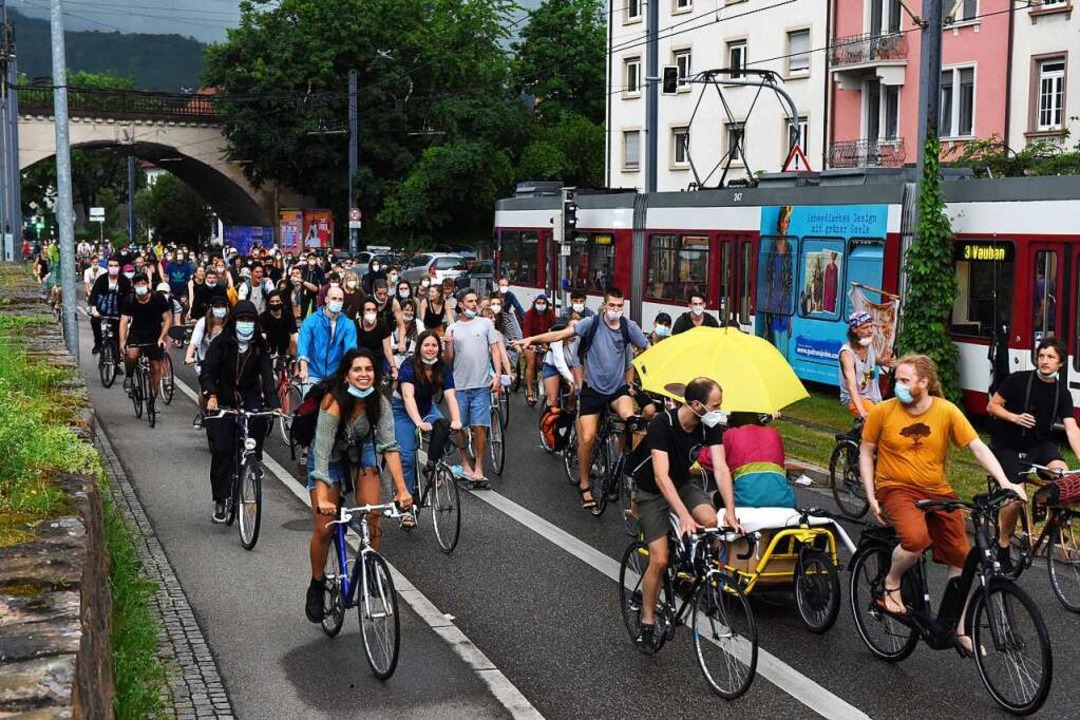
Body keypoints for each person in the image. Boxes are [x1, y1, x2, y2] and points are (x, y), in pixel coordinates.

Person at [859, 355, 1026, 654]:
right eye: (897, 379)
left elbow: (977, 447)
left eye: (905, 380)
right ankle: (892, 582)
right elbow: (866, 450)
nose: (897, 385)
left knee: (962, 556)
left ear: (924, 383)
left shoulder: (946, 411)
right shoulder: (883, 412)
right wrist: (871, 494)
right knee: (915, 539)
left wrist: (1006, 482)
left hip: (937, 490)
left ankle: (956, 627)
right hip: (895, 488)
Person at [304, 348, 413, 623]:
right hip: (327, 457)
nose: (364, 375)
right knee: (323, 526)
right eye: (357, 370)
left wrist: (402, 489)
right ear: (346, 375)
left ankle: (370, 567)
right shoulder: (334, 401)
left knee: (373, 513)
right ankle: (317, 584)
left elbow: (389, 445)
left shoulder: (379, 400)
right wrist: (323, 495)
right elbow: (322, 451)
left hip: (360, 450)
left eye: (369, 370)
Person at [517, 287, 649, 510]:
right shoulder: (592, 323)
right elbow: (559, 335)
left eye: (620, 306)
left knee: (635, 424)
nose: (616, 310)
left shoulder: (629, 327)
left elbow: (648, 348)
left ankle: (628, 476)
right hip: (592, 389)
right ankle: (585, 484)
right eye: (612, 306)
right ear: (605, 305)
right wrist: (531, 338)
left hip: (617, 389)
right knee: (587, 437)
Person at [633, 377, 726, 652]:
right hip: (653, 489)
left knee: (712, 521)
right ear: (696, 405)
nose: (720, 410)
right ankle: (647, 621)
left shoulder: (710, 425)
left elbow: (720, 468)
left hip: (683, 482)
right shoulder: (663, 423)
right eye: (716, 405)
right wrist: (684, 515)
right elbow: (661, 475)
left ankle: (693, 568)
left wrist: (729, 512)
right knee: (659, 559)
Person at [987, 336, 1080, 571]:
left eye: (1051, 357)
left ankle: (1053, 523)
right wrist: (1014, 417)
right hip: (1008, 444)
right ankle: (1004, 545)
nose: (1045, 361)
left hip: (1039, 444)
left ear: (1060, 363)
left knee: (1064, 477)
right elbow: (992, 406)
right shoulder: (1018, 380)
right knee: (1015, 494)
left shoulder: (1062, 392)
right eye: (1041, 356)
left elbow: (1072, 429)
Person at [200, 301, 278, 523]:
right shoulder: (220, 343)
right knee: (223, 450)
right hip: (222, 398)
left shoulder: (259, 345)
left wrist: (274, 403)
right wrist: (211, 395)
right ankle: (221, 499)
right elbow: (207, 372)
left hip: (249, 396)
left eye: (250, 321)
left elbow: (267, 375)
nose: (246, 324)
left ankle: (255, 459)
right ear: (234, 322)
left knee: (259, 419)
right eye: (242, 320)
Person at [443, 289, 502, 485]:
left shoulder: (485, 324)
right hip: (459, 386)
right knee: (459, 428)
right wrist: (448, 345)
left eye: (475, 301)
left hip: (481, 385)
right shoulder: (452, 328)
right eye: (469, 301)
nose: (473, 304)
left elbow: (495, 350)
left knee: (480, 427)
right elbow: (448, 360)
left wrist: (498, 376)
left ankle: (478, 468)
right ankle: (465, 463)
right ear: (460, 304)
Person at [393, 330, 463, 498]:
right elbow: (408, 397)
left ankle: (431, 466)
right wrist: (418, 423)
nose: (430, 349)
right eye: (426, 345)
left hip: (426, 406)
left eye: (434, 345)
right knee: (408, 457)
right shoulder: (409, 365)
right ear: (419, 348)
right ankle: (406, 501)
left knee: (444, 428)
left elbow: (450, 396)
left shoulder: (442, 367)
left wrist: (457, 420)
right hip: (402, 409)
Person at [718, 412, 796, 508]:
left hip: (743, 503)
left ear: (734, 418)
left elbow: (709, 460)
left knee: (711, 489)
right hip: (785, 502)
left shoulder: (730, 434)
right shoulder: (774, 433)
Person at [119, 273, 171, 397]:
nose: (141, 286)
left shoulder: (158, 298)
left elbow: (168, 319)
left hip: (155, 333)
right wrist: (122, 341)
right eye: (138, 284)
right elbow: (124, 321)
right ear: (133, 286)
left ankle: (154, 395)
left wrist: (162, 337)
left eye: (143, 283)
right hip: (137, 332)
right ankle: (129, 377)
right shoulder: (129, 300)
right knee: (131, 355)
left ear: (148, 284)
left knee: (156, 367)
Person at [296, 285, 358, 387]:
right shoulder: (310, 321)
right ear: (326, 299)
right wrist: (304, 370)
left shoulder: (349, 324)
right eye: (334, 298)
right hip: (313, 374)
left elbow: (350, 351)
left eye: (340, 299)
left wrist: (348, 373)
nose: (337, 301)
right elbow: (303, 347)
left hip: (336, 376)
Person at [839, 311, 891, 420]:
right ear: (854, 330)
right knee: (877, 422)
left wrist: (883, 361)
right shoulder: (847, 354)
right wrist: (862, 412)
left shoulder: (867, 343)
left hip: (872, 395)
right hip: (855, 398)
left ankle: (857, 434)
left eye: (871, 326)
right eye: (865, 327)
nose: (870, 331)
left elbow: (871, 359)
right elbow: (852, 387)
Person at [88, 257, 131, 355]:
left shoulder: (124, 281)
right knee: (94, 321)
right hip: (102, 310)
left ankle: (116, 364)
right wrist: (94, 309)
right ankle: (98, 343)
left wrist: (127, 314)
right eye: (111, 265)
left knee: (117, 336)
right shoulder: (102, 279)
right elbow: (94, 294)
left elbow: (129, 298)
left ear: (120, 267)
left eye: (116, 266)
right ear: (107, 267)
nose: (113, 268)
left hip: (119, 312)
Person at [521, 294, 556, 406]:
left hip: (545, 342)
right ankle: (530, 391)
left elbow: (554, 329)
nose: (541, 305)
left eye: (543, 303)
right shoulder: (529, 315)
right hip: (530, 342)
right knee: (531, 363)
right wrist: (530, 345)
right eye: (538, 303)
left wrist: (548, 343)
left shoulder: (550, 314)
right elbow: (526, 333)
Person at [355, 297, 398, 380]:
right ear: (362, 311)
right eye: (368, 309)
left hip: (377, 360)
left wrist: (393, 368)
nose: (371, 312)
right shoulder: (354, 325)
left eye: (374, 309)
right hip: (359, 360)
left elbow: (387, 349)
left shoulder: (383, 325)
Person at [259, 289, 298, 358]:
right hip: (268, 351)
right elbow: (262, 336)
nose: (275, 304)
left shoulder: (288, 315)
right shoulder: (263, 317)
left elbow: (294, 333)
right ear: (268, 302)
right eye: (272, 301)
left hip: (286, 350)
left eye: (277, 301)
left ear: (281, 301)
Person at [391, 299, 424, 368]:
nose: (409, 313)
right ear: (400, 310)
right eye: (406, 310)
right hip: (394, 357)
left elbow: (423, 337)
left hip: (412, 358)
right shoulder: (392, 324)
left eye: (412, 310)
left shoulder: (418, 323)